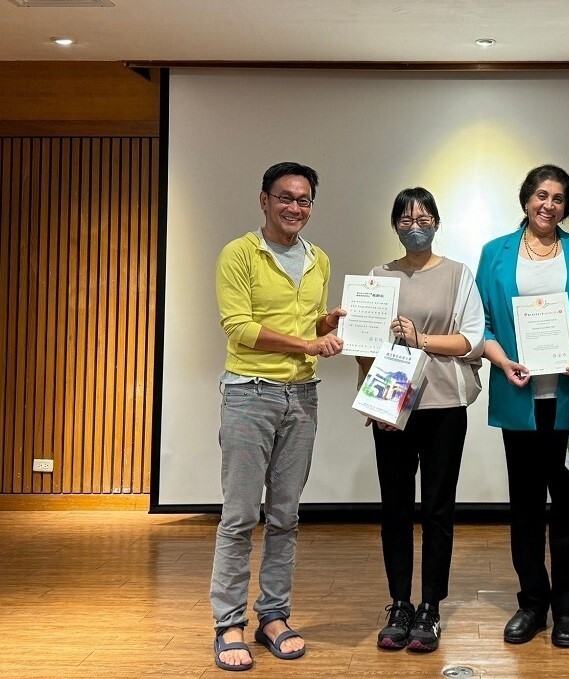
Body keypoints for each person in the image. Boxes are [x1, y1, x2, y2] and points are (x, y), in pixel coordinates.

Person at [211, 161, 345, 672]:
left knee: (286, 516)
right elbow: (238, 326)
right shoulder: (239, 253)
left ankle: (273, 615)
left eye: (304, 200)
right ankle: (228, 622)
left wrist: (325, 323)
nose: (295, 207)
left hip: (302, 397)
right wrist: (307, 341)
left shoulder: (319, 260)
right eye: (285, 198)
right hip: (249, 394)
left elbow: (306, 321)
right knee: (241, 516)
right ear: (264, 200)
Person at [475, 164, 569, 648]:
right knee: (526, 509)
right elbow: (482, 324)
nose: (547, 204)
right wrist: (502, 359)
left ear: (566, 206)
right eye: (540, 195)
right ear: (526, 200)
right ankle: (532, 603)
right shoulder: (495, 253)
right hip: (520, 399)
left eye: (557, 197)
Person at [358, 187, 485, 653]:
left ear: (437, 222)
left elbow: (471, 341)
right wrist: (376, 404)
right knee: (394, 509)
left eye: (425, 216)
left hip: (444, 406)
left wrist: (420, 338)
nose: (416, 225)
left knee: (437, 509)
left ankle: (430, 605)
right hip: (393, 410)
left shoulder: (458, 274)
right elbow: (366, 349)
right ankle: (399, 603)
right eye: (407, 218)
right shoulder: (378, 276)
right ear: (395, 224)